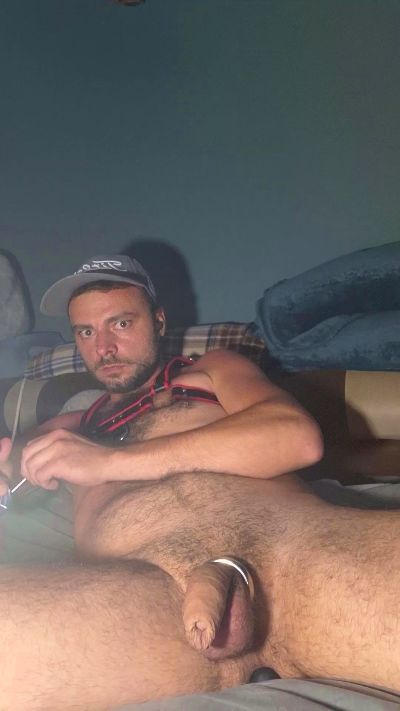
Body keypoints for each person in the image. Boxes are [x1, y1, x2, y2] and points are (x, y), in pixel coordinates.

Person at [0, 255, 399, 710]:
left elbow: (295, 438)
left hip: (300, 558)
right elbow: (15, 475)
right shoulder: (65, 430)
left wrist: (110, 462)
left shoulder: (213, 370)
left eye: (121, 323)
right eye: (85, 332)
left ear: (158, 320)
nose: (104, 347)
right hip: (147, 601)